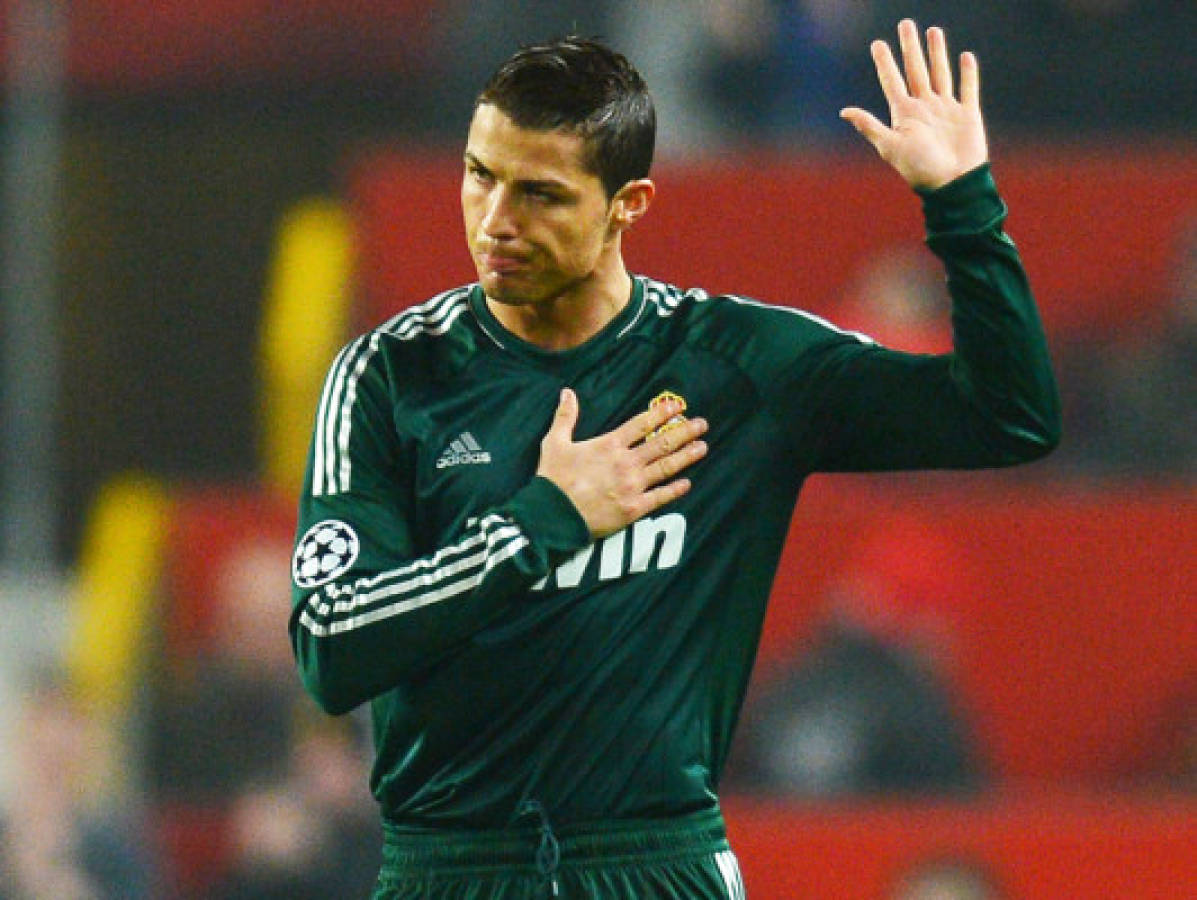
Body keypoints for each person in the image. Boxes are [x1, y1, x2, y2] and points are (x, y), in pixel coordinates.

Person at [289, 20, 1059, 899]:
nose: (495, 220)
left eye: (540, 193)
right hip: (450, 868)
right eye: (480, 175)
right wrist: (542, 521)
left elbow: (1009, 419)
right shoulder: (393, 376)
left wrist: (962, 207)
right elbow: (331, 646)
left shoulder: (734, 365)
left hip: (658, 864)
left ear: (628, 204)